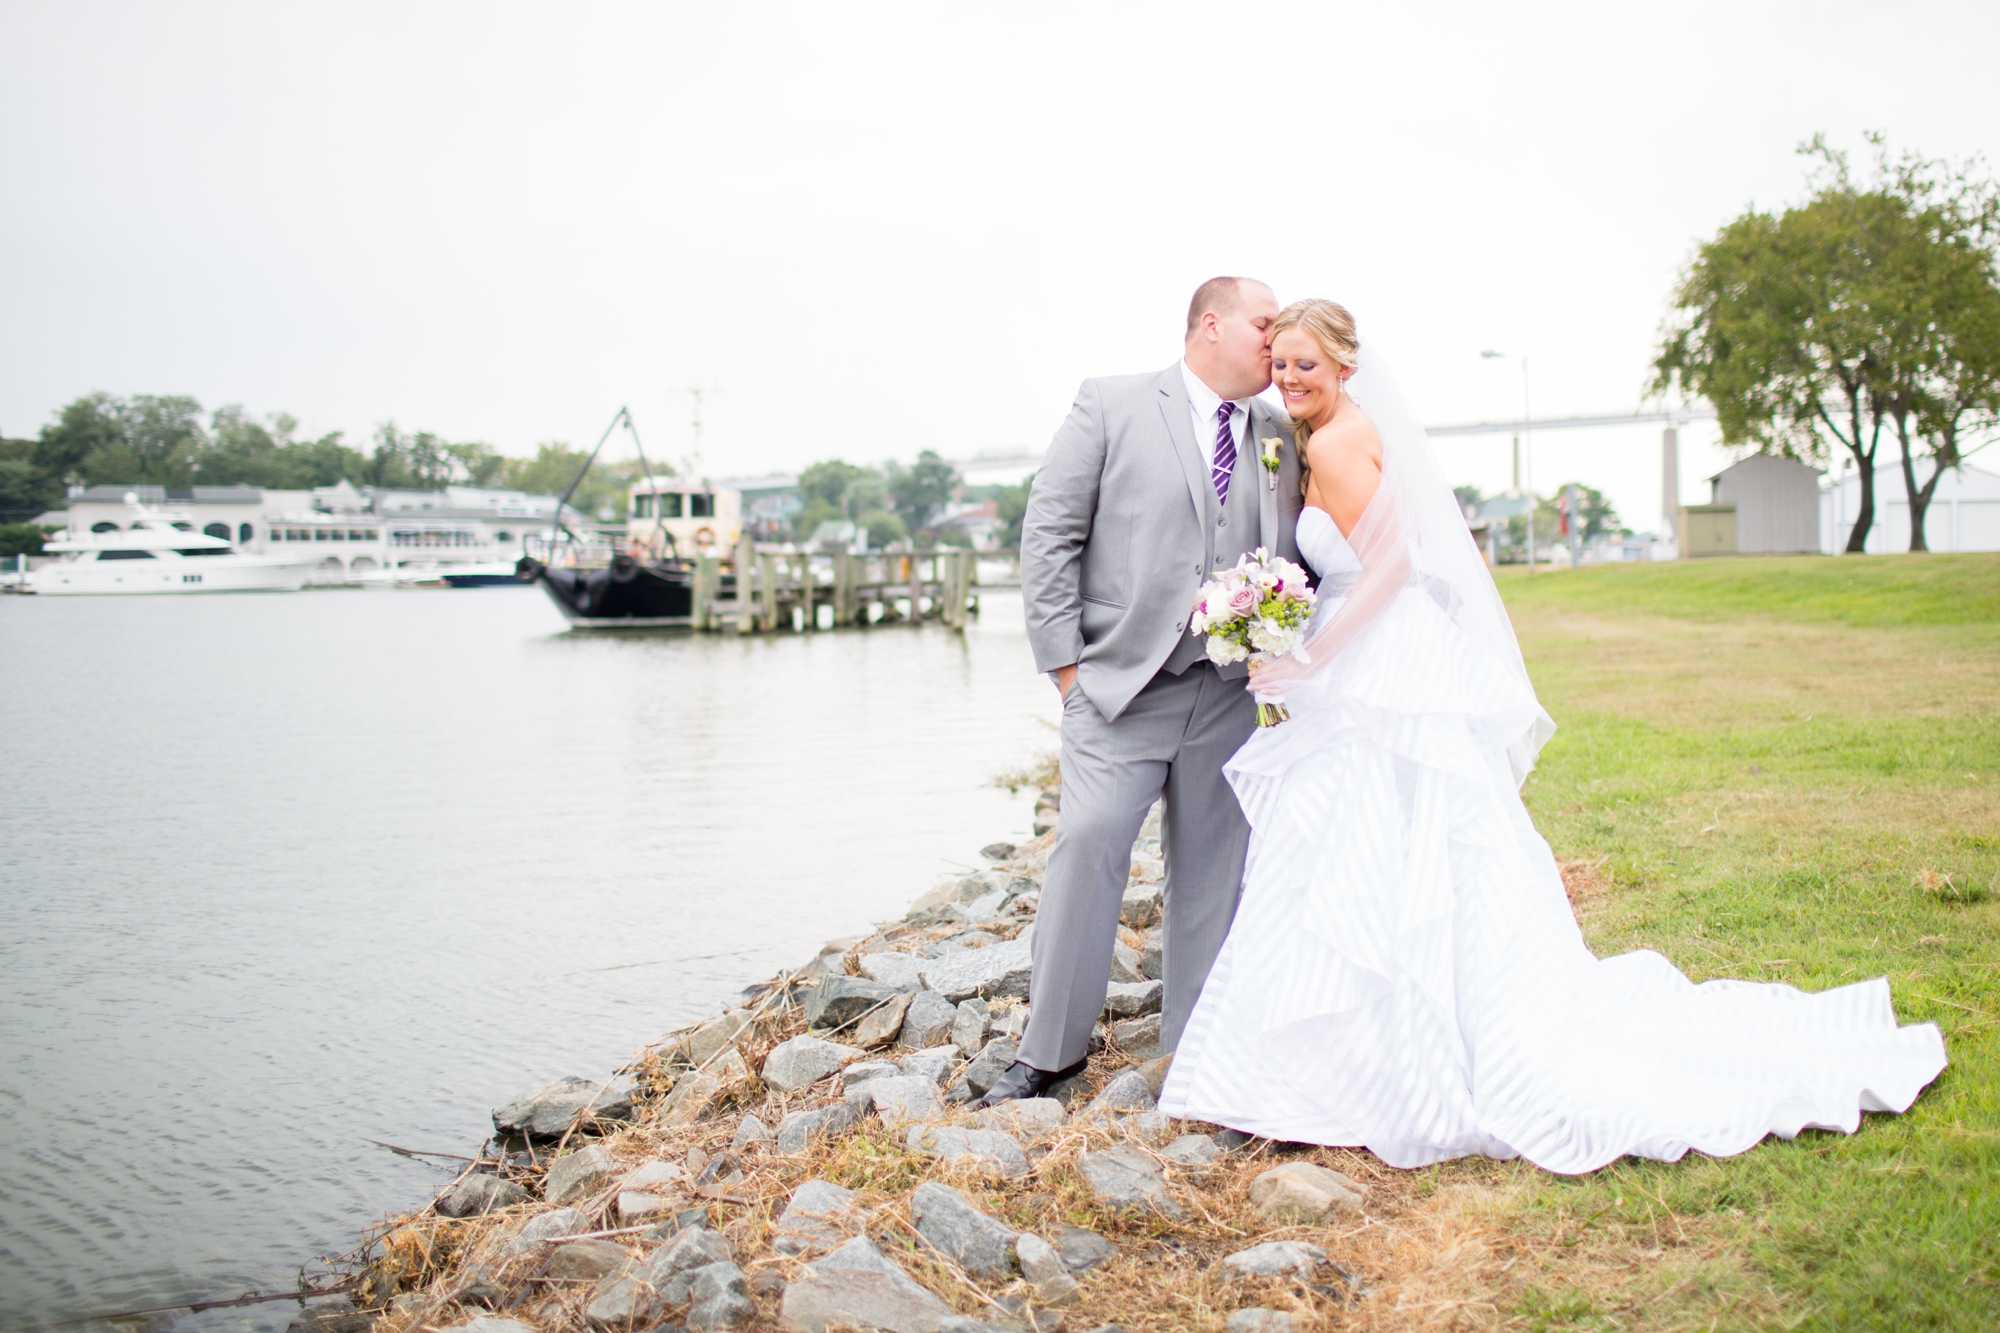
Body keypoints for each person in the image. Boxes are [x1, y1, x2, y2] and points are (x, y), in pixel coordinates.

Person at [1157, 299, 1948, 1171]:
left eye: (1308, 364)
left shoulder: (1340, 442)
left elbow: (1390, 565)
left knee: (1368, 850)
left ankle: (1356, 1067)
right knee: (1389, 851)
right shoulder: (1334, 434)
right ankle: (1358, 1056)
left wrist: (1313, 660)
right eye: (1282, 366)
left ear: (1346, 364)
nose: (1291, 379)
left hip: (1373, 663)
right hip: (1375, 654)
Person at [986, 277, 1307, 1105]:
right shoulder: (1112, 404)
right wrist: (1067, 670)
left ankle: (1193, 1057)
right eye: (1265, 324)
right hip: (1120, 686)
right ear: (1211, 323)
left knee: (1211, 872)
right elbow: (1049, 532)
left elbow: (1300, 550)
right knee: (1089, 842)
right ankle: (1049, 1051)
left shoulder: (1279, 430)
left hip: (1229, 694)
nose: (1277, 342)